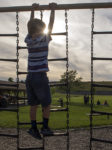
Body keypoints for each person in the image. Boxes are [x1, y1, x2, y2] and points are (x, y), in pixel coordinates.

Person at [25, 3, 57, 139]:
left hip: (29, 78)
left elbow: (30, 25)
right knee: (47, 104)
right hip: (40, 77)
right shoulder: (44, 39)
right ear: (40, 31)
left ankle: (33, 128)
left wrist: (32, 10)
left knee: (33, 105)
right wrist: (53, 10)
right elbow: (51, 24)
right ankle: (44, 127)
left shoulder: (28, 40)